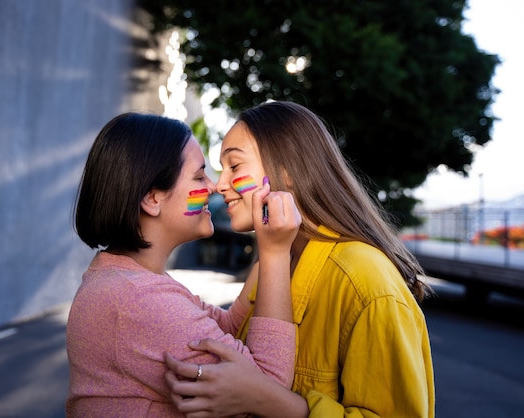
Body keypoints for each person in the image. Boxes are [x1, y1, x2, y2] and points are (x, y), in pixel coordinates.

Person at [164, 101, 435, 417]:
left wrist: (268, 401)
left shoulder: (365, 279)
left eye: (234, 167)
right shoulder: (272, 263)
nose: (220, 185)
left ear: (288, 171)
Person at [65, 112, 302, 416]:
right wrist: (275, 254)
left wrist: (271, 238)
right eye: (199, 176)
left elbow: (227, 327)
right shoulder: (138, 301)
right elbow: (267, 389)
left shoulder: (126, 280)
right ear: (152, 198)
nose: (215, 187)